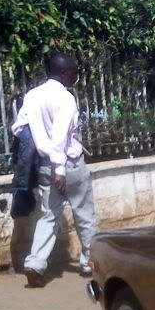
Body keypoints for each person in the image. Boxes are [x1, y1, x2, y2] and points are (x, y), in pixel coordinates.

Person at [14, 52, 95, 289]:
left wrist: (41, 144)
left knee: (48, 215)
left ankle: (35, 263)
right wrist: (59, 168)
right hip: (68, 164)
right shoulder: (66, 98)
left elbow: (18, 127)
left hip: (44, 165)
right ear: (63, 72)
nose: (76, 75)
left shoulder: (33, 96)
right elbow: (60, 136)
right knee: (84, 213)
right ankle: (89, 262)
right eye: (74, 71)